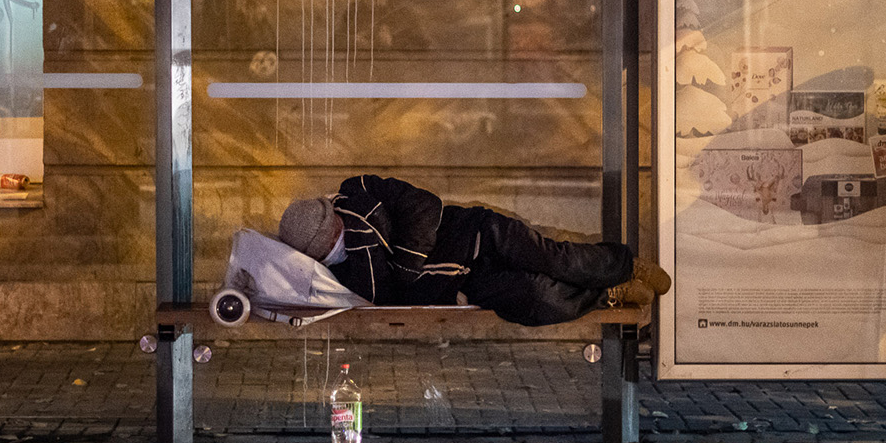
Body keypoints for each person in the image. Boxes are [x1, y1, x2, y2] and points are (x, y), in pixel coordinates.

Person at [277, 175, 670, 327]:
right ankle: (609, 293)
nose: (341, 237)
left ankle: (626, 266)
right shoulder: (339, 274)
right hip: (467, 284)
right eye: (331, 242)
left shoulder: (360, 191)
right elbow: (382, 297)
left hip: (478, 232)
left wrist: (406, 263)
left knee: (555, 257)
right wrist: (368, 244)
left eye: (337, 228)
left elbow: (424, 206)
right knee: (538, 299)